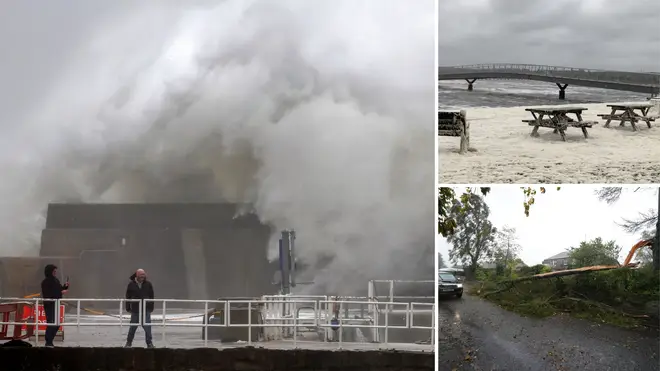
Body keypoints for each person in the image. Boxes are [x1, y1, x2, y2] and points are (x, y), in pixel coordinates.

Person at [124, 268, 155, 348]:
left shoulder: (148, 284)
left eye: (144, 275)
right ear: (137, 275)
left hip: (146, 309)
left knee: (147, 327)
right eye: (141, 275)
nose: (143, 277)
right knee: (133, 327)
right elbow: (128, 297)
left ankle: (149, 343)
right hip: (135, 309)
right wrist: (128, 308)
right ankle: (129, 342)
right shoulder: (131, 284)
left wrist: (151, 307)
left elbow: (152, 296)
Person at [40, 264, 69, 347]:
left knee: (56, 324)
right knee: (51, 323)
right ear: (50, 272)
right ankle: (48, 342)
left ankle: (50, 341)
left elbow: (59, 289)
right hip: (49, 305)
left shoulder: (56, 280)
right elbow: (48, 294)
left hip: (56, 305)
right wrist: (61, 292)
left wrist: (65, 287)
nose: (55, 273)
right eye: (54, 271)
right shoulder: (45, 282)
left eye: (56, 271)